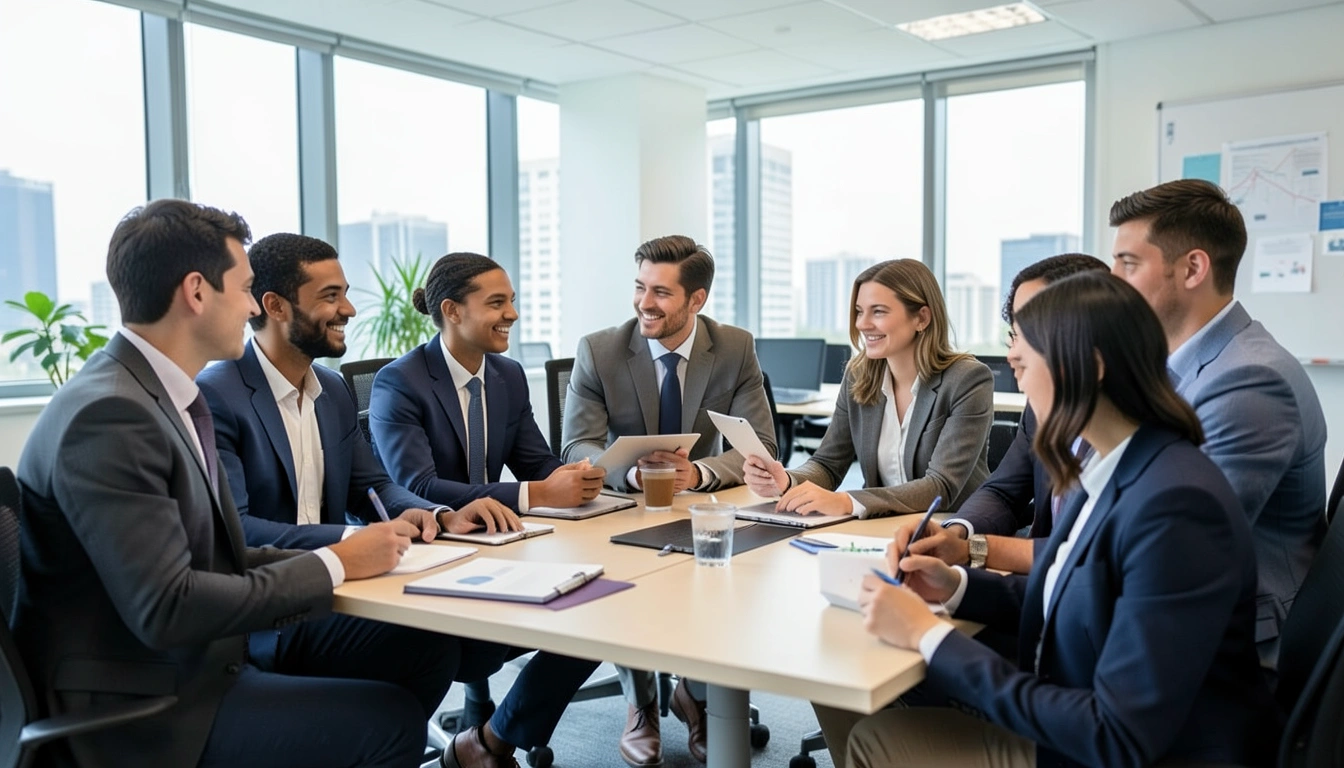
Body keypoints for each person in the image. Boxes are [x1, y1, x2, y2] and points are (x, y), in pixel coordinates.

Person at [14, 200, 426, 767]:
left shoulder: (153, 396)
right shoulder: (111, 414)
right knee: (390, 723)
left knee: (411, 661)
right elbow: (169, 606)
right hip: (148, 705)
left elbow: (210, 558)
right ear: (196, 292)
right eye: (246, 288)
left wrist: (343, 555)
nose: (253, 306)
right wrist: (335, 562)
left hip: (192, 667)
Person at [846, 271, 1280, 768]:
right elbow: (1079, 590)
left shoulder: (1175, 506)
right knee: (870, 696)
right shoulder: (1117, 469)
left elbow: (1116, 736)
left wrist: (928, 634)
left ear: (1089, 367)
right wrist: (955, 586)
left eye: (1025, 365)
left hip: (1128, 751)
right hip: (1082, 711)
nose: (1021, 386)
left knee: (875, 735)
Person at [197, 233, 600, 767]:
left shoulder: (332, 389)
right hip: (269, 613)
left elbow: (374, 487)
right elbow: (238, 531)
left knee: (448, 641)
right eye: (330, 295)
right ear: (274, 306)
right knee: (431, 642)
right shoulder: (218, 392)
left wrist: (436, 514)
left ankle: (403, 749)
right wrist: (349, 542)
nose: (349, 308)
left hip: (343, 589)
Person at [901, 180, 1327, 668]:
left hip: (1208, 653)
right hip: (1121, 609)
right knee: (902, 634)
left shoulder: (1248, 382)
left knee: (913, 654)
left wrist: (975, 553)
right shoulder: (1162, 373)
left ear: (1193, 269)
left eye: (1128, 264)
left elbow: (1147, 557)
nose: (1112, 282)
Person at [562, 234, 776, 767]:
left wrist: (699, 472)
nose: (644, 303)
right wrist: (631, 472)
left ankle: (696, 697)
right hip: (625, 505)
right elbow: (575, 444)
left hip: (704, 507)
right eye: (639, 288)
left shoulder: (734, 347)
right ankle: (641, 705)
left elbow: (763, 446)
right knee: (626, 582)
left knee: (721, 578)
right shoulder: (600, 349)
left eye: (660, 292)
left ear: (696, 300)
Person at [896, 253, 1110, 574]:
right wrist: (956, 533)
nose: (1013, 355)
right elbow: (1002, 491)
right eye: (1015, 333)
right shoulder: (1040, 409)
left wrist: (973, 551)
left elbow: (1085, 557)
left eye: (1032, 332)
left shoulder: (1128, 438)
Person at [743, 258, 994, 519]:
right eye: (860, 311)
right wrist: (786, 480)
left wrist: (848, 502)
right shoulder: (859, 375)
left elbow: (940, 487)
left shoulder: (967, 380)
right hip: (878, 527)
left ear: (922, 318)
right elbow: (828, 464)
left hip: (950, 530)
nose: (862, 324)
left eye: (879, 311)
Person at [369, 251, 606, 514]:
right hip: (423, 539)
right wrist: (540, 492)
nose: (513, 314)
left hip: (492, 531)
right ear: (452, 311)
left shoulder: (509, 375)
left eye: (512, 301)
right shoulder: (400, 382)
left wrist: (571, 475)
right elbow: (419, 488)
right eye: (496, 303)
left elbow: (535, 463)